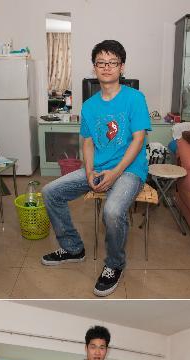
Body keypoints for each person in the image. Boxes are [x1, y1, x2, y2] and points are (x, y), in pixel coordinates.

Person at [41, 40, 151, 296]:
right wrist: (89, 171)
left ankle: (114, 264)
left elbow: (138, 139)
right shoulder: (90, 106)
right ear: (94, 68)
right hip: (99, 167)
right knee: (51, 191)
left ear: (121, 67)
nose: (106, 67)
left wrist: (115, 173)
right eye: (101, 63)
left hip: (130, 170)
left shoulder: (135, 98)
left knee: (112, 212)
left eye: (112, 63)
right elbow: (88, 143)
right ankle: (72, 248)